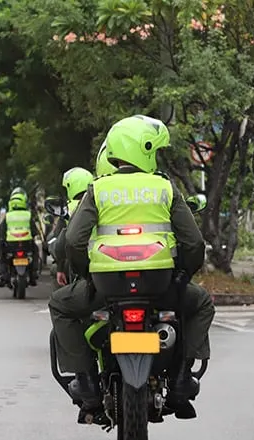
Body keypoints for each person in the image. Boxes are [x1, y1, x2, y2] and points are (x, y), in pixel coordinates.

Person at [49, 115, 215, 421]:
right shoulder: (163, 188)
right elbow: (193, 243)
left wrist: (87, 276)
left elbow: (73, 241)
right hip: (159, 287)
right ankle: (180, 378)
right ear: (144, 150)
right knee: (200, 303)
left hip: (106, 289)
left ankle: (85, 383)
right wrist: (182, 278)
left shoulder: (99, 190)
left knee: (60, 305)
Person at [53, 167, 94, 287]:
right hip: (105, 261)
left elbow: (60, 243)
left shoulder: (68, 209)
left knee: (58, 301)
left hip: (80, 266)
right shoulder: (100, 201)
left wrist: (60, 268)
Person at [0, 189, 40, 287]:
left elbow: (1, 232)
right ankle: (33, 275)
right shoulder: (28, 215)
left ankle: (4, 275)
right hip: (26, 245)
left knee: (1, 254)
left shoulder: (8, 216)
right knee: (35, 251)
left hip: (11, 246)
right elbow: (34, 231)